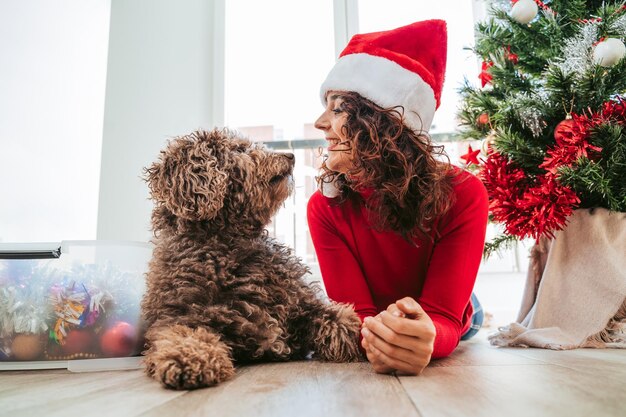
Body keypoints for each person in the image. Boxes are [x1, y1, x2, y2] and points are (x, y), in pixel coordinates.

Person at [307, 20, 489, 375]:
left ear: (382, 121)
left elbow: (444, 317)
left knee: (472, 318)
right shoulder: (324, 206)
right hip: (380, 316)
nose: (319, 122)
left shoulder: (463, 194)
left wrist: (430, 335)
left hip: (451, 308)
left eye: (338, 107)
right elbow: (356, 315)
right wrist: (382, 336)